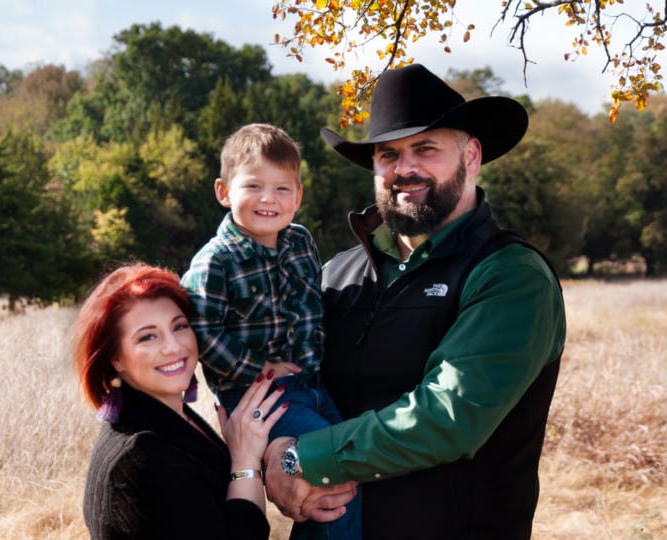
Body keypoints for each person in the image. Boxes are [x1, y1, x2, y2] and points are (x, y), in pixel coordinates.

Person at [262, 63, 567, 539]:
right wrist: (268, 452)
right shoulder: (334, 275)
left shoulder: (509, 275)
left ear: (471, 155)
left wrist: (304, 459)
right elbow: (281, 378)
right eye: (388, 154)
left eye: (426, 148)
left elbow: (446, 417)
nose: (405, 169)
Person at [181, 123, 361, 539]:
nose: (269, 199)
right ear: (224, 192)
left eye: (283, 189)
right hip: (259, 396)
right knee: (328, 461)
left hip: (313, 386)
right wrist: (259, 367)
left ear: (298, 196)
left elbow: (314, 309)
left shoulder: (300, 242)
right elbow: (202, 331)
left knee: (351, 466)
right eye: (254, 186)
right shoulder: (216, 261)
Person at [74, 263, 289, 540]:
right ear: (115, 358)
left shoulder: (170, 416)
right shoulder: (140, 455)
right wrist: (244, 460)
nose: (174, 347)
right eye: (148, 337)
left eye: (179, 326)